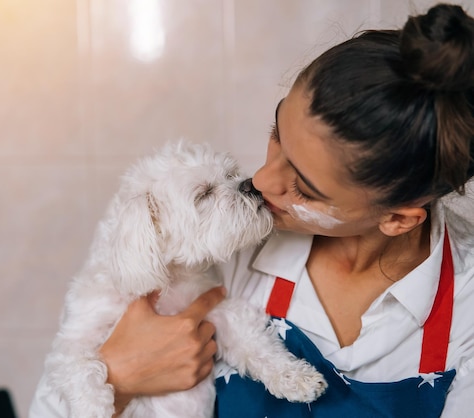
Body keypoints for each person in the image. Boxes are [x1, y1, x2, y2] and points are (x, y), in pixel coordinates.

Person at [30, 3, 474, 417]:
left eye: (302, 186)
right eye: (275, 134)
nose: (261, 181)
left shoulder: (467, 306)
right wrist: (121, 377)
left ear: (397, 218)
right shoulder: (217, 247)